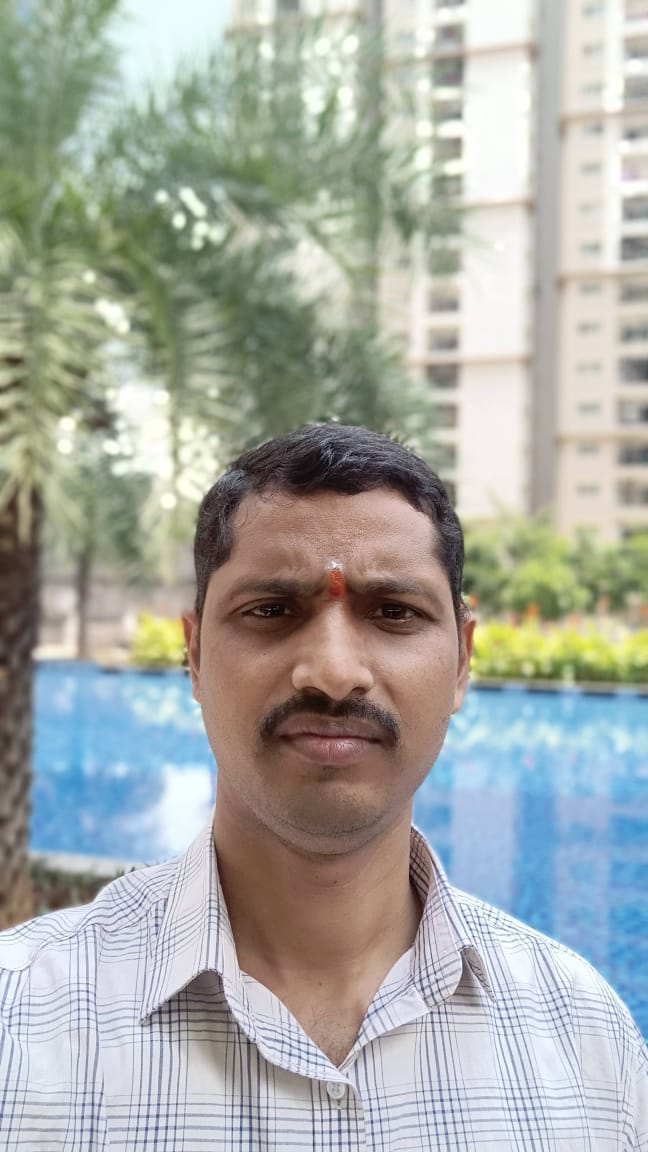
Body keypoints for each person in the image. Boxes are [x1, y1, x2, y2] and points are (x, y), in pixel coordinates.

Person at [1, 423, 647, 1151]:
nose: (334, 673)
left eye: (394, 612)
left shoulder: (585, 1040)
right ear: (195, 655)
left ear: (462, 663)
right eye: (272, 611)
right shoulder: (18, 1024)